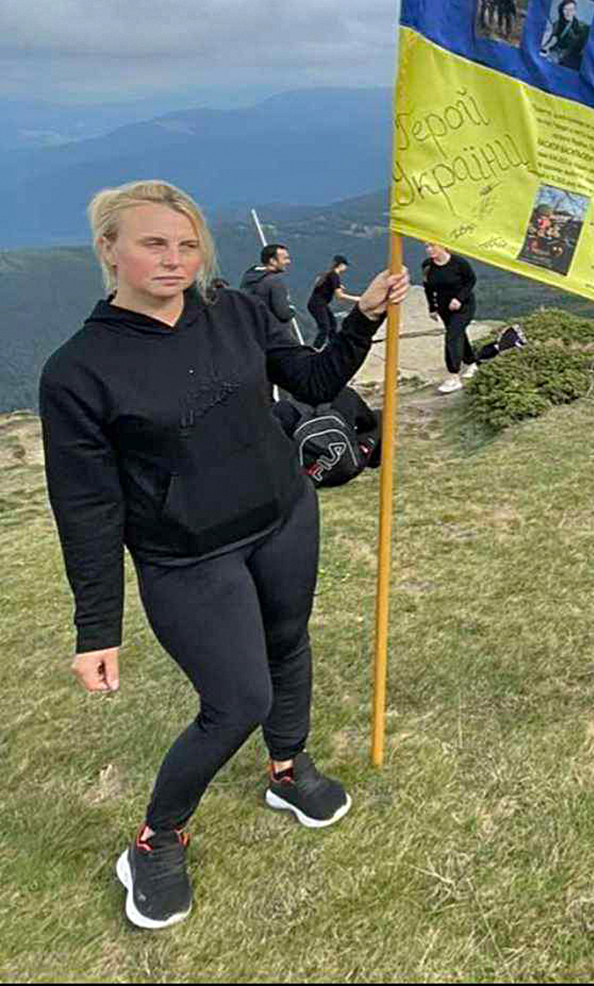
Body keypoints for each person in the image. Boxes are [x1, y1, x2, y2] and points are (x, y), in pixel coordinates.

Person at [39, 180, 408, 930]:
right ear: (109, 249)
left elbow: (312, 379)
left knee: (288, 645)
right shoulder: (78, 371)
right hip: (186, 557)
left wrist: (364, 316)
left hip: (283, 517)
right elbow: (87, 508)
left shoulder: (235, 311)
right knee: (238, 700)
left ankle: (287, 768)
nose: (174, 259)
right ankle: (156, 839)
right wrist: (96, 629)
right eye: (153, 243)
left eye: (187, 245)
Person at [422, 242, 478, 394]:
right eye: (426, 247)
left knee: (452, 336)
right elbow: (428, 287)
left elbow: (471, 281)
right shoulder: (427, 265)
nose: (429, 250)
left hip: (464, 306)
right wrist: (432, 308)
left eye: (432, 246)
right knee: (458, 333)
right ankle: (471, 363)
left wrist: (459, 299)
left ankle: (453, 377)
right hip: (443, 307)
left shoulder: (459, 262)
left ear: (443, 246)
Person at [306, 255, 366, 350]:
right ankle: (315, 349)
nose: (346, 268)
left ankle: (332, 348)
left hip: (319, 304)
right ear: (341, 265)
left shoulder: (329, 274)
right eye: (345, 266)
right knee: (325, 327)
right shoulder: (334, 276)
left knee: (332, 325)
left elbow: (320, 282)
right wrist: (357, 299)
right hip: (317, 304)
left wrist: (337, 286)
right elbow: (339, 296)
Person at [240, 243, 296, 330]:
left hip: (251, 329)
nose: (288, 262)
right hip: (272, 332)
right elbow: (283, 314)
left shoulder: (248, 278)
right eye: (285, 259)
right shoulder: (274, 282)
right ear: (272, 261)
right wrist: (292, 309)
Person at [541, 0, 588, 70]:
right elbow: (552, 38)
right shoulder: (557, 23)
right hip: (553, 53)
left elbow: (575, 48)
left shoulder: (579, 29)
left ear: (575, 11)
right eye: (565, 9)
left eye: (571, 10)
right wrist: (547, 46)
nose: (568, 13)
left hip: (566, 59)